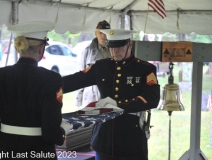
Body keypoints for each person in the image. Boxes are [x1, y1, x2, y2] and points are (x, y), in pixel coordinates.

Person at [0, 22, 70, 160]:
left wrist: (9, 131)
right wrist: (61, 133)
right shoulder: (51, 79)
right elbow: (50, 133)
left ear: (19, 48)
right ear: (41, 48)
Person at [63, 29, 160, 160]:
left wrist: (117, 105)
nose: (114, 51)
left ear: (129, 44)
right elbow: (74, 81)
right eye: (111, 47)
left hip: (131, 138)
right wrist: (46, 83)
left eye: (119, 47)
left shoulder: (145, 69)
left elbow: (151, 99)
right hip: (104, 137)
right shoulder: (102, 66)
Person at [76, 20, 111, 108]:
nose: (103, 36)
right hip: (90, 95)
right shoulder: (87, 51)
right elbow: (80, 76)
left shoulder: (114, 51)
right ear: (96, 33)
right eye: (101, 33)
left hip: (108, 94)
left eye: (106, 33)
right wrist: (78, 101)